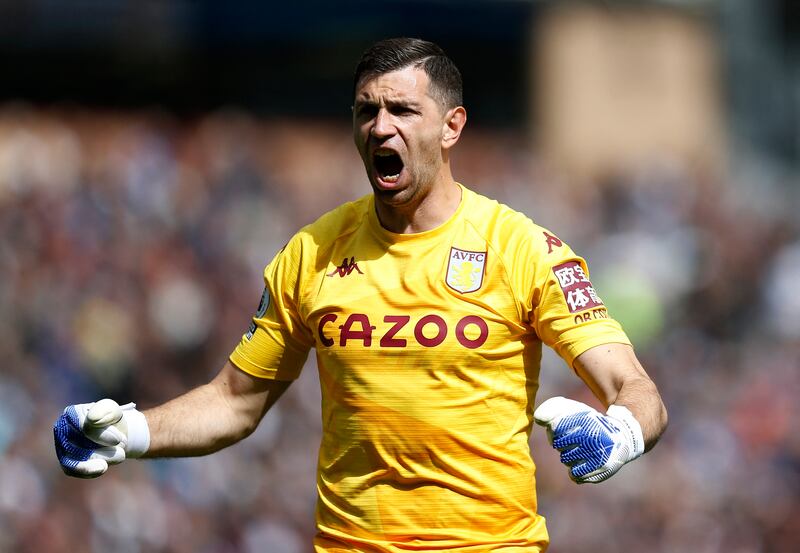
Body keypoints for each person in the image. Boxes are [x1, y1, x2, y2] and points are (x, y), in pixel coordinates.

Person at [54, 37, 668, 552]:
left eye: (402, 110)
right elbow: (235, 402)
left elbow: (635, 388)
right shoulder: (312, 253)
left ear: (452, 126)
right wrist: (129, 433)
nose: (381, 127)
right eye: (365, 110)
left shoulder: (523, 249)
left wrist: (622, 435)